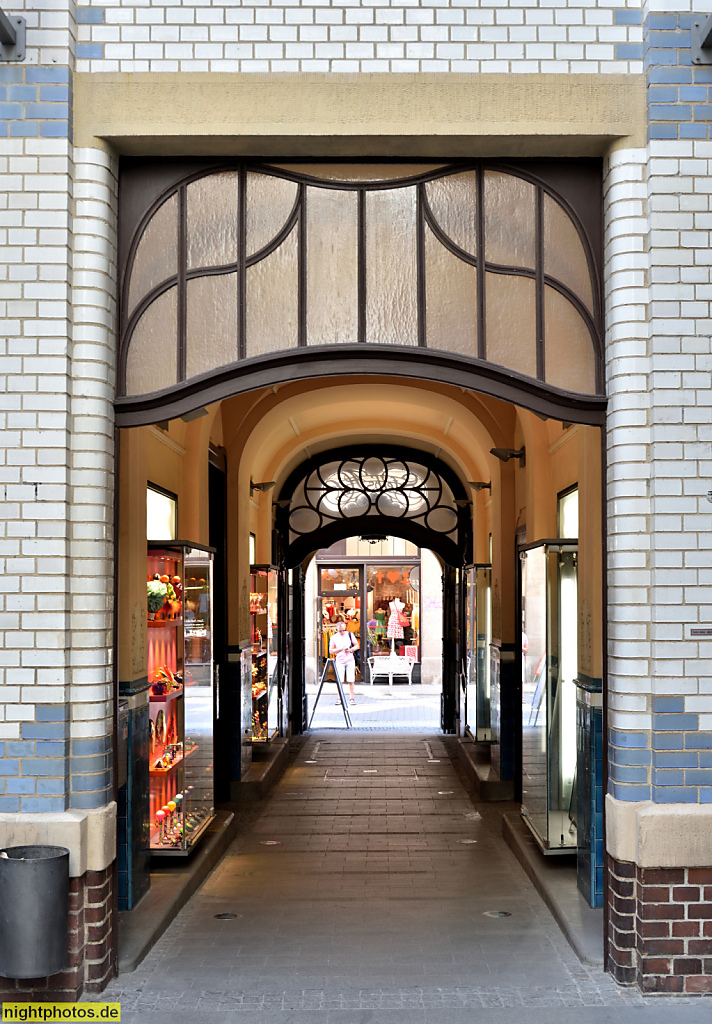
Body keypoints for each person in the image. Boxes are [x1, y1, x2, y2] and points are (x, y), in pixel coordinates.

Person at [329, 619, 359, 704]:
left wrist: (350, 650)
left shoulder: (350, 634)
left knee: (351, 680)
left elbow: (357, 645)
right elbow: (331, 651)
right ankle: (339, 698)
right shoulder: (334, 637)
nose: (342, 632)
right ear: (337, 629)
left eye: (343, 630)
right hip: (340, 660)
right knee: (340, 680)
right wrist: (340, 649)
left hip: (350, 660)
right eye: (340, 631)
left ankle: (351, 698)